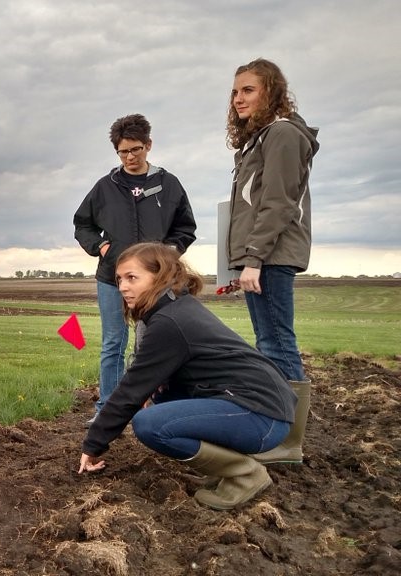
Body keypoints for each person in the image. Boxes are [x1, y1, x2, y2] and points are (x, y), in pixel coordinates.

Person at [78, 242, 297, 510]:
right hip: (261, 407)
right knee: (162, 397)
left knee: (150, 424)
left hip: (263, 417)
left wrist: (93, 444)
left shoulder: (169, 322)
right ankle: (221, 466)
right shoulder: (177, 308)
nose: (123, 287)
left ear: (160, 276)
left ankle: (245, 474)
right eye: (120, 279)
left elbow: (130, 390)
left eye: (132, 277)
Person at [73, 114, 196, 427]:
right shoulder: (105, 187)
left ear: (149, 145)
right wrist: (101, 247)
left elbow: (186, 227)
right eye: (123, 151)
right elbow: (82, 224)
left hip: (157, 282)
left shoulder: (168, 184)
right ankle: (107, 409)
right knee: (113, 343)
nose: (129, 157)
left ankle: (155, 407)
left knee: (153, 344)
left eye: (136, 150)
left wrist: (169, 254)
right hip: (112, 279)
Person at [226, 58, 318, 465]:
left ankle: (289, 441)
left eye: (248, 90)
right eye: (235, 91)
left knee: (278, 342)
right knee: (267, 342)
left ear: (271, 92)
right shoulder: (259, 139)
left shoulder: (281, 134)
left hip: (272, 256)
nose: (238, 98)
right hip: (261, 256)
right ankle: (275, 429)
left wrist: (255, 258)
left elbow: (278, 204)